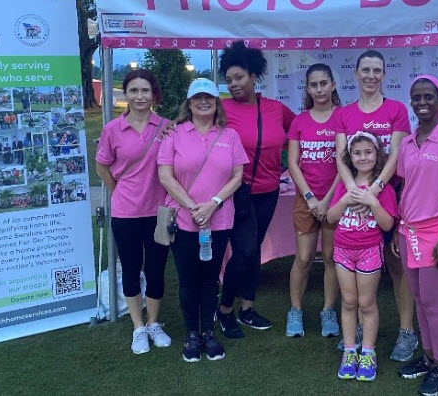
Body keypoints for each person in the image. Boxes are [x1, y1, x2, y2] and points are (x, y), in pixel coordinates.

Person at [158, 78, 248, 363]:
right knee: (188, 280)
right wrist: (193, 207)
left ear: (216, 102)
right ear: (189, 103)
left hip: (218, 220)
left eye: (209, 97)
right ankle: (191, 334)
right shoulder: (174, 134)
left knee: (210, 280)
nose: (204, 102)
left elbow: (237, 176)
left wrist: (213, 204)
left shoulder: (229, 136)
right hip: (184, 219)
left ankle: (208, 332)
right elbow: (165, 175)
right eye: (197, 98)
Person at [334, 50, 415, 361]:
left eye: (377, 70)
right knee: (352, 274)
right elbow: (342, 157)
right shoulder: (345, 113)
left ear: (384, 74)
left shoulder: (396, 109)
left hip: (388, 197)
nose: (370, 75)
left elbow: (395, 155)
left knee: (398, 266)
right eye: (365, 70)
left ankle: (407, 332)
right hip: (355, 198)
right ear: (356, 74)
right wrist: (354, 190)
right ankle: (353, 334)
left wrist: (375, 191)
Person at [217, 41, 295, 338]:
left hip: (270, 190)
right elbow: (192, 127)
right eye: (229, 79)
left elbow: (297, 130)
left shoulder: (275, 109)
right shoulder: (222, 109)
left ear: (253, 76)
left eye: (239, 77)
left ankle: (247, 308)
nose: (233, 84)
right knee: (245, 250)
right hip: (238, 192)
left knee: (254, 250)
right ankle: (224, 310)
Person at [394, 76, 438, 396]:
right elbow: (406, 188)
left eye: (428, 97)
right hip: (407, 232)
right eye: (417, 97)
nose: (422, 102)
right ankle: (427, 357)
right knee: (421, 302)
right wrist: (398, 227)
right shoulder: (408, 142)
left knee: (434, 304)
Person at [95, 69, 173, 355]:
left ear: (154, 95)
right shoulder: (112, 129)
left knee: (155, 270)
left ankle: (154, 323)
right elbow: (102, 166)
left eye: (145, 91)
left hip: (159, 212)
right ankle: (138, 328)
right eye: (134, 91)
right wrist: (118, 191)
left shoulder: (166, 127)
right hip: (126, 213)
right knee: (130, 269)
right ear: (125, 94)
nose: (140, 96)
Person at [327, 131, 398, 382]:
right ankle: (349, 350)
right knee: (348, 302)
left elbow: (388, 224)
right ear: (350, 157)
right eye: (357, 153)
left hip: (369, 251)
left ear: (377, 155)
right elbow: (331, 218)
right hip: (343, 250)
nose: (363, 157)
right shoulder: (345, 186)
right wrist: (347, 198)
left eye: (368, 152)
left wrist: (372, 201)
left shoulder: (383, 188)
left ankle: (368, 352)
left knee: (366, 303)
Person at [286, 64, 341, 338]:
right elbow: (293, 164)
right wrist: (310, 199)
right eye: (313, 85)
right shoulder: (299, 121)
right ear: (307, 89)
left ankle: (328, 311)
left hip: (335, 201)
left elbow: (345, 164)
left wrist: (327, 200)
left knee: (331, 258)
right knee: (305, 258)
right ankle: (295, 311)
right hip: (306, 201)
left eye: (323, 83)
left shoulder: (343, 118)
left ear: (332, 84)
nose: (319, 89)